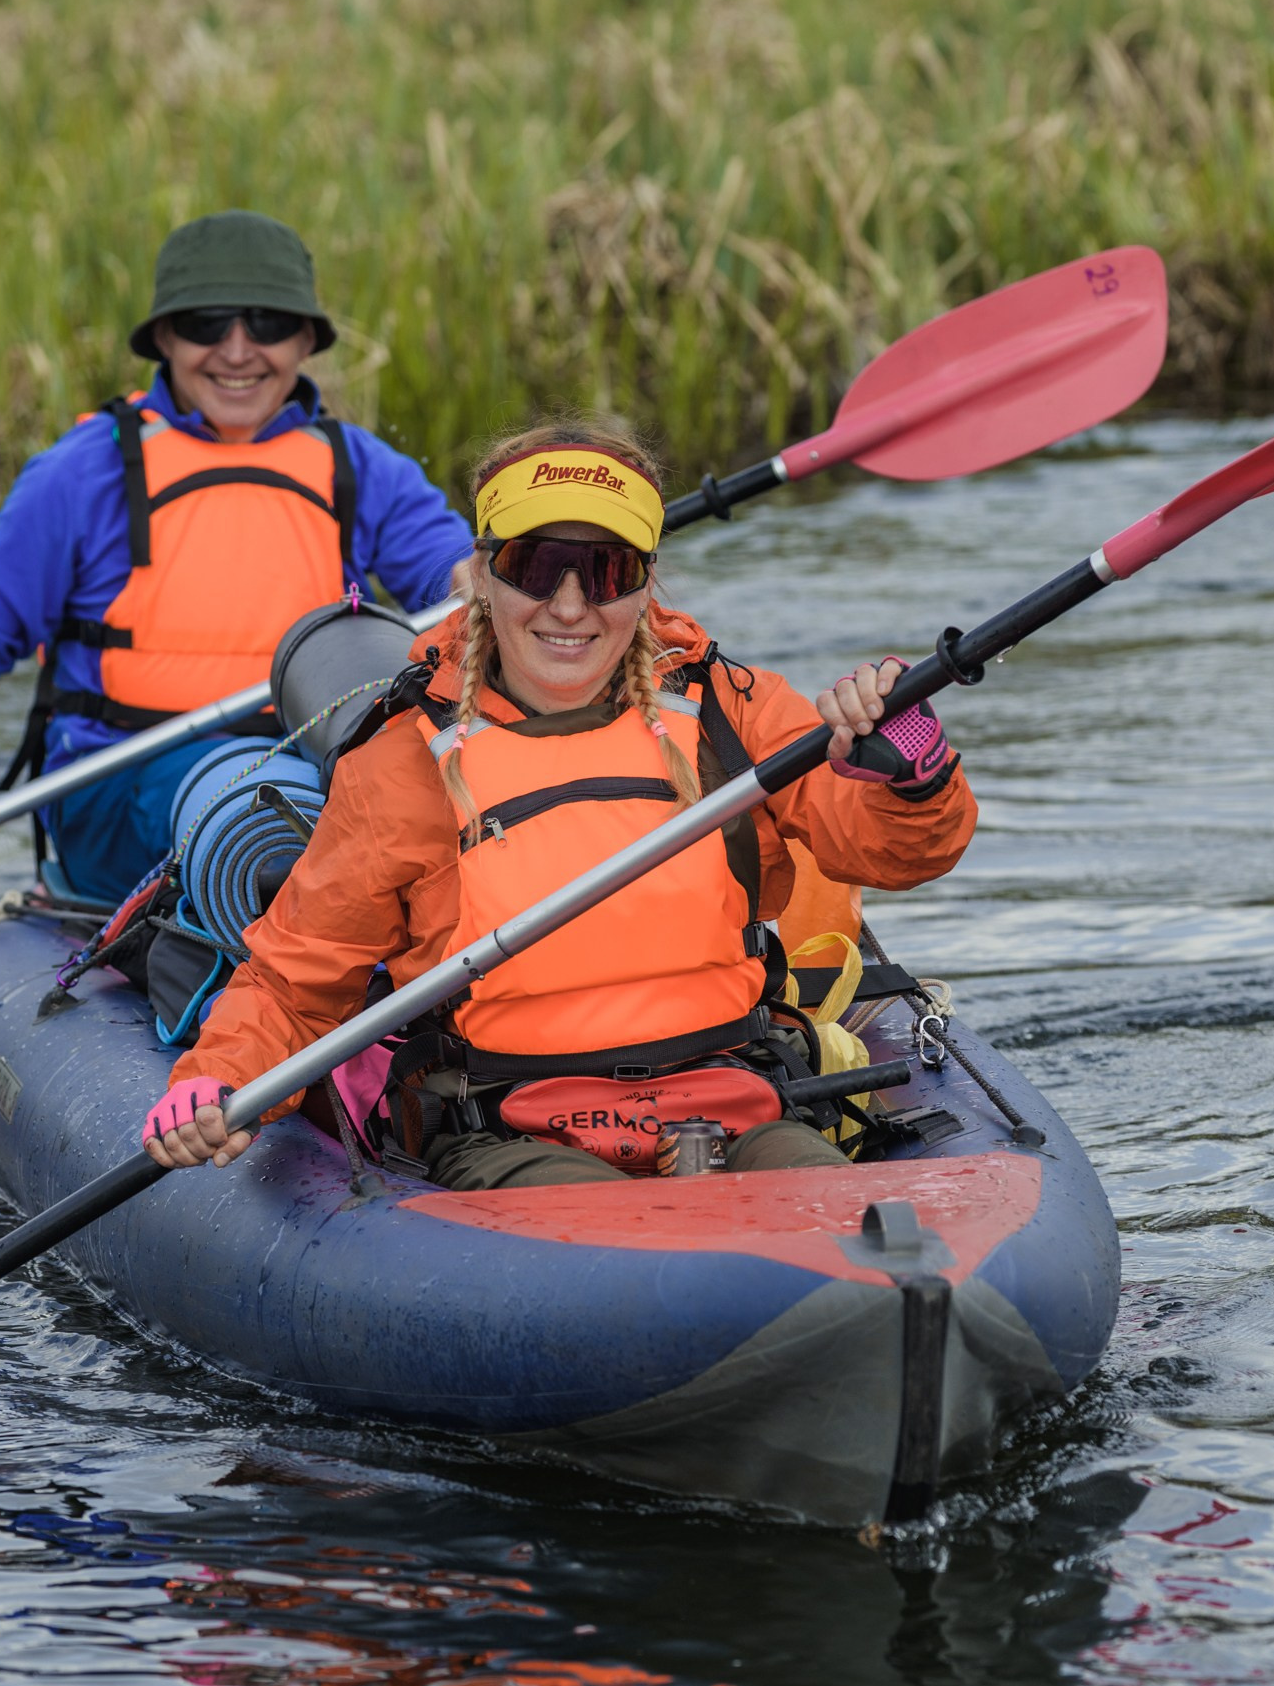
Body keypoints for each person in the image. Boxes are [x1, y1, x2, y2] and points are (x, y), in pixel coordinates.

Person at [140, 420, 978, 1190]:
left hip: (732, 1102)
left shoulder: (730, 706)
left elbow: (895, 853)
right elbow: (296, 980)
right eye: (536, 567)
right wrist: (216, 1080)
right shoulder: (406, 756)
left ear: (647, 582)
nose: (570, 606)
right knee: (599, 1230)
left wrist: (912, 767)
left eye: (608, 571)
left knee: (821, 1211)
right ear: (485, 573)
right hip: (506, 1126)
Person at [0, 210, 473, 905]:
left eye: (266, 323)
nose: (236, 351)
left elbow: (457, 581)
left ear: (305, 340)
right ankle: (284, 908)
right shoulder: (82, 473)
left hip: (320, 777)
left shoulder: (363, 469)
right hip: (118, 794)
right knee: (252, 807)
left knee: (412, 802)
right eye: (206, 325)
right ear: (165, 338)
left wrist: (485, 580)